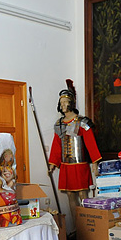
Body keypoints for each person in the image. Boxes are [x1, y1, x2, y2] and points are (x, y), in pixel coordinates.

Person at [48, 81, 102, 210]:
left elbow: (91, 143)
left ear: (71, 103)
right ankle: (76, 222)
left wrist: (95, 163)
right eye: (61, 103)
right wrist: (52, 163)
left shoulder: (82, 122)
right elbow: (57, 145)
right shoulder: (59, 124)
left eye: (65, 102)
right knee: (70, 196)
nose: (63, 105)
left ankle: (86, 220)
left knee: (83, 194)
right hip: (66, 166)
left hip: (80, 165)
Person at [0, 149, 22, 228]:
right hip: (2, 225)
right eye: (2, 165)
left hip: (15, 222)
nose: (6, 170)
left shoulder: (13, 189)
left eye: (9, 166)